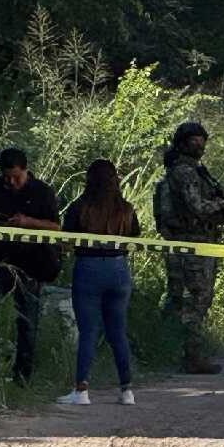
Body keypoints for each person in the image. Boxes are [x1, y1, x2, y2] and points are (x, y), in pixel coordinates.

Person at [0, 148, 62, 385]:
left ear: (26, 170)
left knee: (27, 323)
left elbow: (56, 228)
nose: (12, 182)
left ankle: (22, 378)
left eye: (16, 177)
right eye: (7, 177)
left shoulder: (42, 192)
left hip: (31, 265)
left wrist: (28, 222)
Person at [56, 159, 141, 406]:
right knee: (118, 332)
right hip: (119, 270)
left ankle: (81, 390)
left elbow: (66, 239)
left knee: (88, 332)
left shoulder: (80, 207)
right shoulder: (126, 209)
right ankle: (127, 391)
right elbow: (135, 236)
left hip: (88, 268)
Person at [156, 122, 224, 374]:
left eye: (202, 140)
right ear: (184, 143)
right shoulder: (186, 172)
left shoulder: (186, 171)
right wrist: (222, 208)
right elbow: (197, 206)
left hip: (187, 243)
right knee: (196, 299)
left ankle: (162, 348)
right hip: (193, 244)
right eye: (195, 140)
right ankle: (191, 355)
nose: (200, 145)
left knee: (178, 298)